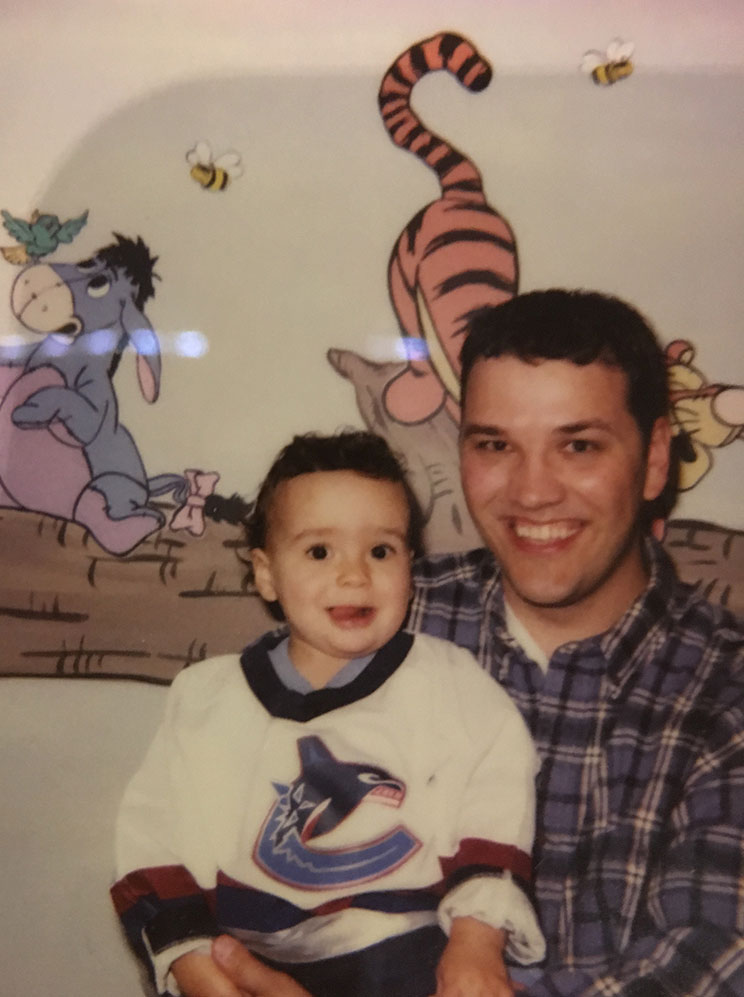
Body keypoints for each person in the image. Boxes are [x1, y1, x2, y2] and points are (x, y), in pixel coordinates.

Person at [207, 289, 744, 997]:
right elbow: (228, 844)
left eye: (578, 445)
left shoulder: (724, 694)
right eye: (495, 445)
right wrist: (199, 955)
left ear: (653, 460)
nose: (531, 491)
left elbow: (701, 967)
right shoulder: (376, 617)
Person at [111, 431, 545, 997]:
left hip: (403, 951)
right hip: (243, 954)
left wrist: (475, 939)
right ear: (266, 573)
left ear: (409, 565)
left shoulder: (448, 683)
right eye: (319, 551)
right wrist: (195, 966)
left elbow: (498, 800)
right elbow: (152, 837)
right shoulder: (206, 698)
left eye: (381, 551)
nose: (354, 575)